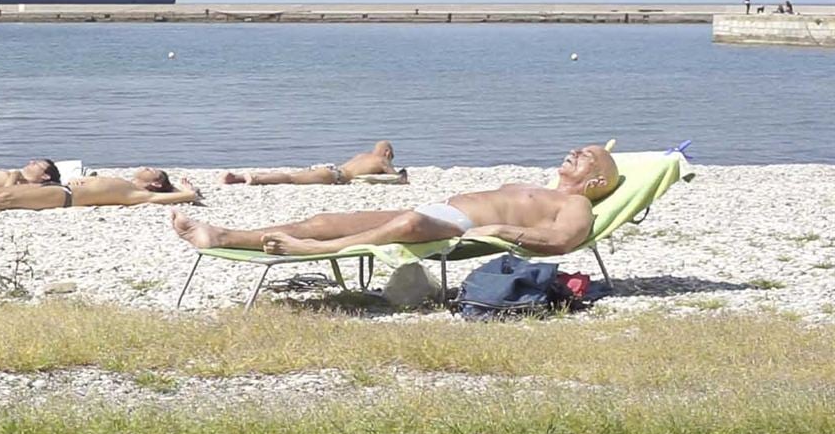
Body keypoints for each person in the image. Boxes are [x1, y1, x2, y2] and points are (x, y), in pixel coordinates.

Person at [173, 145, 619, 256]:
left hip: (462, 232)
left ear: (597, 180)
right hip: (443, 213)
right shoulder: (537, 187)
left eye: (588, 156)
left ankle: (317, 251)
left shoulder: (576, 204)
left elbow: (563, 240)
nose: (577, 152)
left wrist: (500, 231)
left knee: (405, 223)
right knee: (327, 216)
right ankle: (223, 235)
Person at [0, 167, 203, 212]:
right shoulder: (124, 181)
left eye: (151, 170)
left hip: (65, 197)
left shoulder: (138, 193)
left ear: (155, 182)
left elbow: (178, 198)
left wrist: (187, 191)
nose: (145, 167)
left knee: (4, 197)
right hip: (61, 188)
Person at [220, 140, 402, 185]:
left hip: (330, 168)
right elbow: (397, 179)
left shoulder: (362, 155)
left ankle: (238, 178)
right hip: (335, 176)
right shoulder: (381, 161)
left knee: (291, 176)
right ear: (387, 152)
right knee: (289, 178)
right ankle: (254, 178)